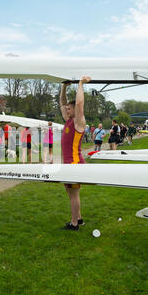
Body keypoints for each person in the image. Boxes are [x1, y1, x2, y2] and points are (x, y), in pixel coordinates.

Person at [59, 76, 90, 230]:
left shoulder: (78, 121)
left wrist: (80, 84)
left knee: (74, 194)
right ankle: (79, 218)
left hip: (74, 163)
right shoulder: (68, 120)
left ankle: (74, 223)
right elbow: (62, 104)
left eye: (69, 109)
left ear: (74, 110)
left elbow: (79, 103)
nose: (66, 110)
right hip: (69, 163)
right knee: (71, 193)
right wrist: (64, 87)